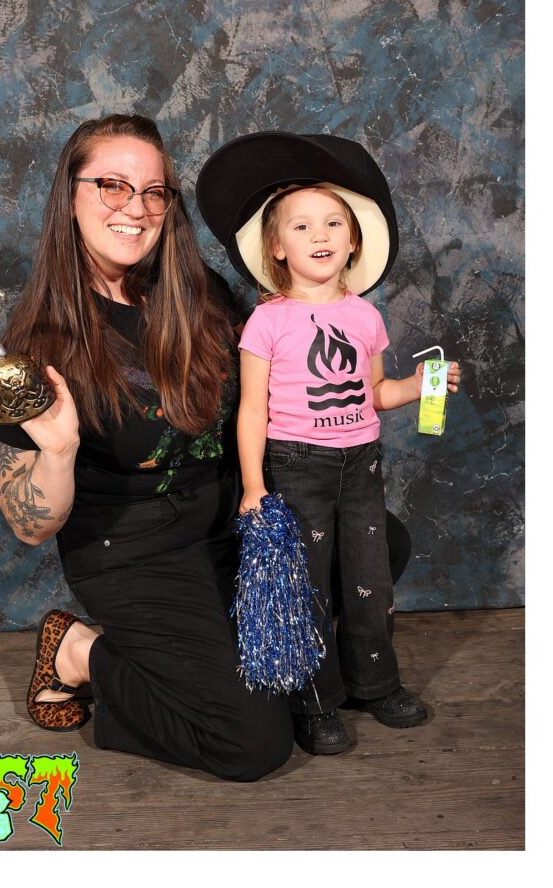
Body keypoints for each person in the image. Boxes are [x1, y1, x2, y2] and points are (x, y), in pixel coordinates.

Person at [0, 114, 295, 781]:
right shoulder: (40, 341)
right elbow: (27, 525)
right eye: (112, 185)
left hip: (229, 527)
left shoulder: (199, 292)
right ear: (70, 195)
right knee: (251, 742)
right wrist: (58, 452)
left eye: (153, 191)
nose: (135, 208)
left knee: (374, 548)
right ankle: (81, 652)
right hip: (134, 553)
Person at [195, 130, 461, 756]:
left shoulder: (365, 315)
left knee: (370, 580)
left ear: (354, 240)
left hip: (361, 466)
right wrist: (254, 485)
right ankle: (315, 703)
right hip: (297, 467)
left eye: (334, 223)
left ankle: (376, 683)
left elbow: (376, 392)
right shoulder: (267, 321)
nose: (320, 235)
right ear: (277, 248)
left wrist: (423, 384)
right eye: (302, 226)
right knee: (308, 585)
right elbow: (252, 410)